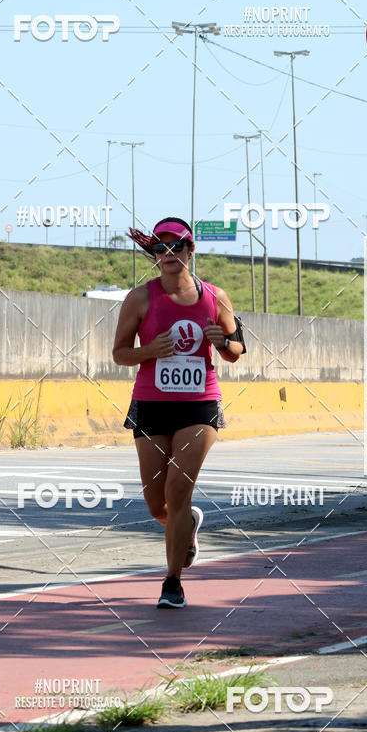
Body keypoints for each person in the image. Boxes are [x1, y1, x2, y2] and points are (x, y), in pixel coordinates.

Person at [112, 217, 245, 608]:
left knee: (178, 487)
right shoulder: (140, 298)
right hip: (151, 404)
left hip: (199, 406)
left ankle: (172, 582)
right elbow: (119, 354)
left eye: (176, 247)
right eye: (160, 248)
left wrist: (223, 343)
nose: (168, 254)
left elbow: (237, 349)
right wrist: (150, 351)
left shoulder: (215, 297)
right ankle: (185, 529)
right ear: (153, 255)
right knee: (158, 505)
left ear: (190, 251)